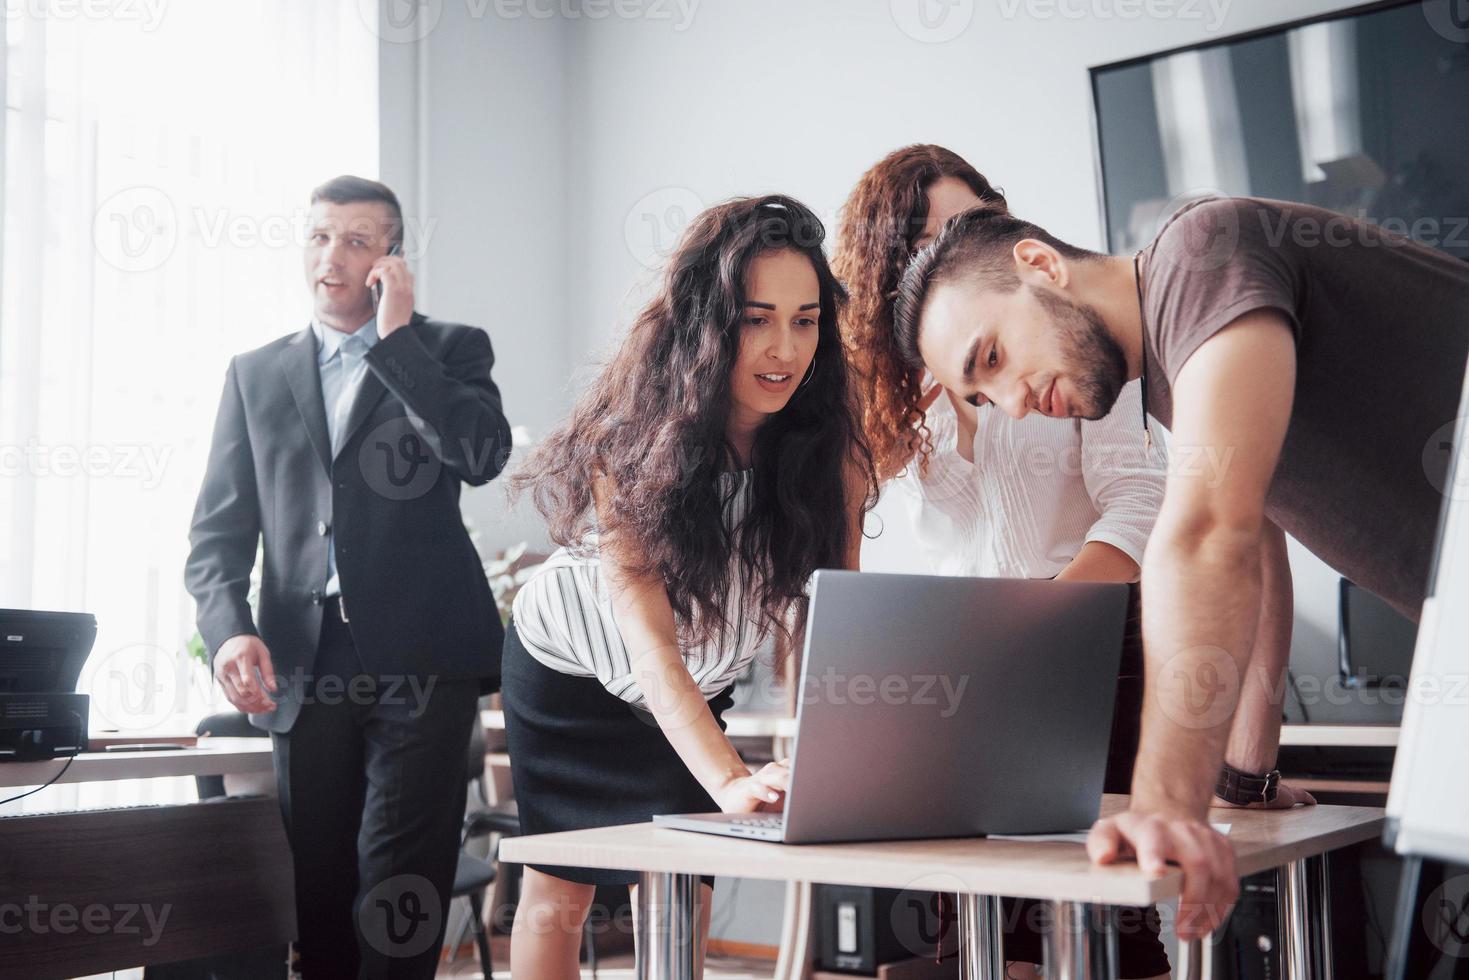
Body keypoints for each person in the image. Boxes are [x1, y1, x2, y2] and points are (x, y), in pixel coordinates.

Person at [893, 195, 1469, 940]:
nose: (1012, 403)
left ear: (1039, 265)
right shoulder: (1170, 380)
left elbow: (1204, 537)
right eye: (981, 394)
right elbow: (1258, 550)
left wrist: (1163, 805)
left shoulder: (1199, 252)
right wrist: (1240, 778)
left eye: (994, 357)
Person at [504, 195, 876, 979]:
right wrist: (731, 777)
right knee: (559, 888)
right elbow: (647, 645)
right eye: (755, 318)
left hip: (696, 675)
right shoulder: (630, 440)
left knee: (682, 880)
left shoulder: (826, 447)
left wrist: (826, 758)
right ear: (709, 323)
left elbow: (831, 620)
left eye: (805, 320)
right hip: (573, 668)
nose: (783, 348)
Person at [835, 144, 1173, 978]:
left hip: (1091, 643)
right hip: (966, 662)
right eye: (921, 241)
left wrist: (1040, 622)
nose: (947, 249)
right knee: (980, 916)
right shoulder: (893, 395)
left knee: (1106, 910)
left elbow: (1139, 503)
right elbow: (850, 530)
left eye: (967, 225)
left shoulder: (1069, 332)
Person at [185, 175, 513, 979]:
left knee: (398, 878)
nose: (332, 256)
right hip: (305, 659)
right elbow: (217, 533)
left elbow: (481, 456)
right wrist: (230, 630)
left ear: (389, 263)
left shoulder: (449, 348)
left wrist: (396, 343)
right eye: (320, 236)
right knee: (319, 884)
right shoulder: (255, 373)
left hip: (422, 656)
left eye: (358, 240)